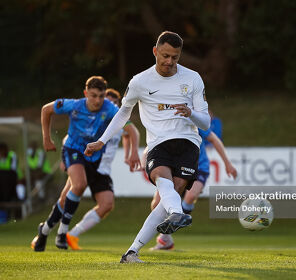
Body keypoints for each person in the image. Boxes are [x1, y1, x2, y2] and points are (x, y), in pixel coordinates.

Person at [85, 31, 211, 263]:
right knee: (163, 180)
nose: (169, 62)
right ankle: (178, 213)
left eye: (175, 57)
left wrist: (191, 113)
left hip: (188, 143)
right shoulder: (139, 82)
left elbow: (206, 122)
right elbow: (123, 113)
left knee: (167, 198)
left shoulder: (192, 78)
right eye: (165, 56)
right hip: (158, 143)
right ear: (155, 51)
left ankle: (131, 252)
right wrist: (102, 140)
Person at [31, 77, 141, 252]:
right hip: (73, 150)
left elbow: (131, 130)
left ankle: (44, 230)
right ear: (85, 94)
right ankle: (63, 232)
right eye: (94, 96)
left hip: (94, 160)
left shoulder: (110, 109)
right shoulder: (74, 105)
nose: (98, 100)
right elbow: (46, 110)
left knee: (90, 200)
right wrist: (46, 138)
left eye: (101, 96)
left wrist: (133, 152)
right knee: (79, 185)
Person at [150, 128, 237, 250]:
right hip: (176, 167)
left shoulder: (194, 122)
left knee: (190, 196)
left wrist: (227, 164)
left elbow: (214, 139)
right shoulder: (168, 122)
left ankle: (175, 224)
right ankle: (166, 238)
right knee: (156, 204)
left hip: (199, 167)